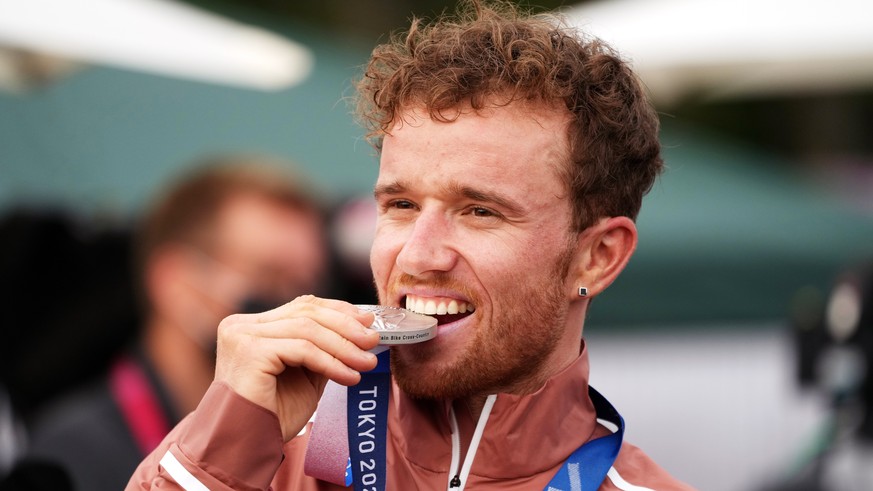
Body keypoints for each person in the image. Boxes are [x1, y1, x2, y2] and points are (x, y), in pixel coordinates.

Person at [128, 2, 696, 490]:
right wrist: (219, 449)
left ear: (597, 257)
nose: (419, 256)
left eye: (479, 212)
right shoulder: (257, 458)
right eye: (400, 205)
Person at [18, 156, 329, 490]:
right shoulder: (73, 455)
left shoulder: (308, 441)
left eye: (310, 283)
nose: (301, 304)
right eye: (270, 275)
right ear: (176, 285)